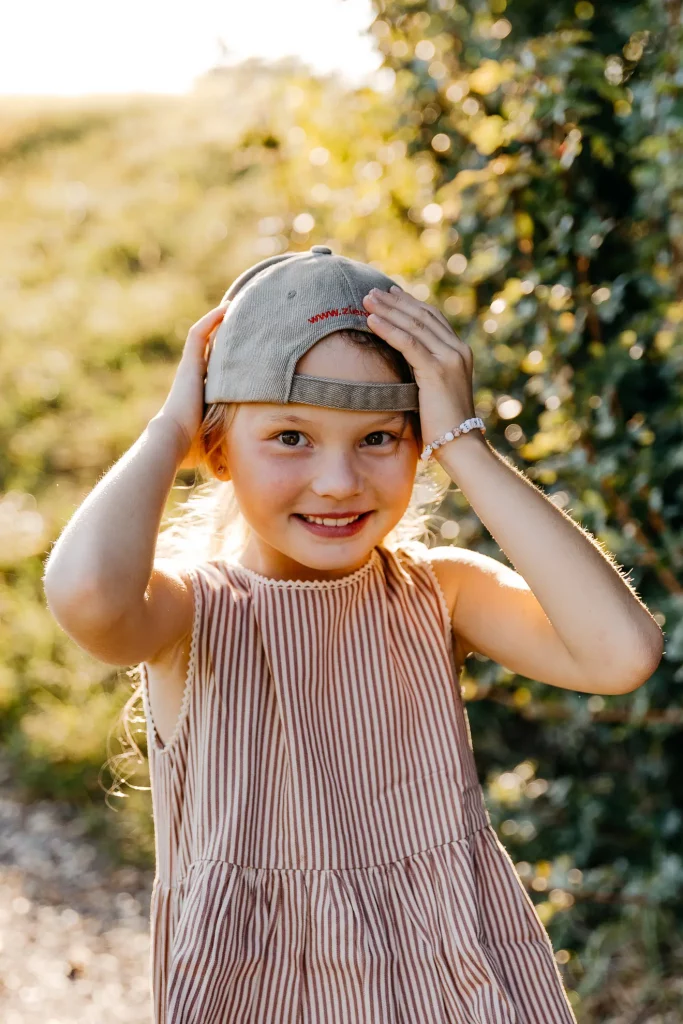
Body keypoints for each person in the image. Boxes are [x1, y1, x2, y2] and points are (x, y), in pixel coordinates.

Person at [43, 246, 663, 1023]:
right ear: (217, 448)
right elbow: (87, 594)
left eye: (378, 438)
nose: (338, 482)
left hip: (454, 991)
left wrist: (464, 443)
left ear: (417, 442)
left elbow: (622, 653)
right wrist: (170, 428)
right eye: (291, 438)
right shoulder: (191, 619)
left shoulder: (439, 592)